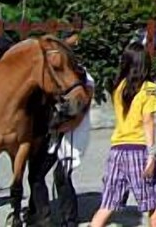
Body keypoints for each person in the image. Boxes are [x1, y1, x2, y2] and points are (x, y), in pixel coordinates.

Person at [90, 41, 156, 227]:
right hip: (138, 149)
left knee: (108, 203)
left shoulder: (118, 87)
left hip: (117, 150)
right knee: (153, 202)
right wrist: (151, 154)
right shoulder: (149, 88)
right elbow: (148, 121)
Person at [50, 68, 95, 227]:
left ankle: (70, 220)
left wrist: (58, 127)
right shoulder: (56, 74)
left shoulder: (85, 78)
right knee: (41, 173)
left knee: (62, 174)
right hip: (59, 132)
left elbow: (79, 114)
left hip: (75, 132)